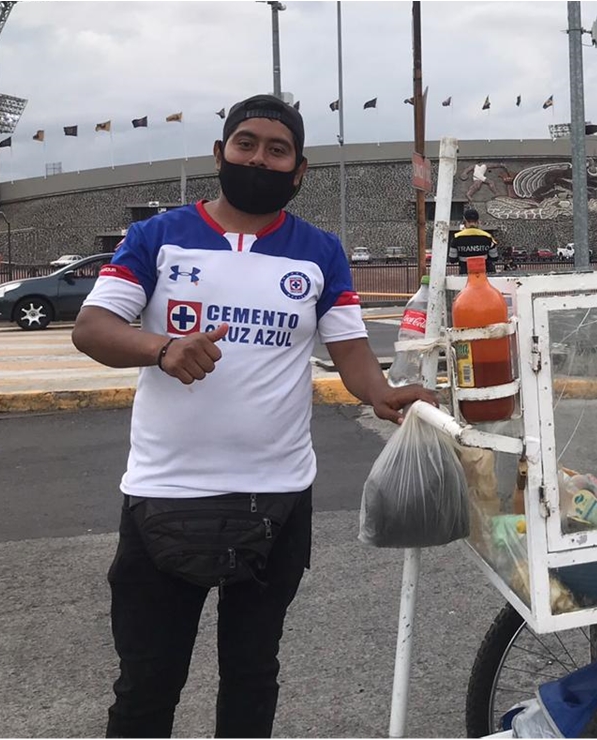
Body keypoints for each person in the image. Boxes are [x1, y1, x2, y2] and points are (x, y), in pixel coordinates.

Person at [72, 94, 433, 738]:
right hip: (163, 495)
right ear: (220, 153)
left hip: (277, 498)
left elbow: (350, 352)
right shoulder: (157, 236)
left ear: (298, 168)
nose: (259, 159)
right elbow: (93, 328)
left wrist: (381, 395)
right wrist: (161, 348)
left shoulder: (319, 252)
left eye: (277, 149)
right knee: (147, 686)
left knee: (251, 676)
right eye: (246, 144)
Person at [448, 207, 499, 274]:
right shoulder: (488, 237)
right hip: (484, 275)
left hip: (465, 275)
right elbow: (494, 257)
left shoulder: (456, 237)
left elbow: (452, 259)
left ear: (465, 221)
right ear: (477, 221)